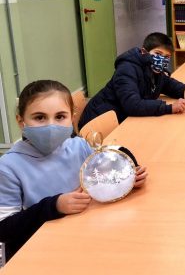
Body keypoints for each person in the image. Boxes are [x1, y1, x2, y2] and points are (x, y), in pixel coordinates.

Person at [0, 80, 148, 261]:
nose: (51, 126)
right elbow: (4, 229)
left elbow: (110, 156)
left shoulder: (78, 146)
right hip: (38, 253)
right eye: (39, 117)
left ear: (72, 117)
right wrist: (54, 206)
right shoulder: (8, 167)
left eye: (60, 116)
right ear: (21, 122)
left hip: (83, 239)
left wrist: (128, 173)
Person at [79, 32, 185, 130]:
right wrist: (169, 108)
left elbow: (173, 86)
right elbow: (132, 104)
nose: (162, 60)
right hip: (97, 125)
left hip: (123, 119)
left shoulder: (155, 71)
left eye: (167, 57)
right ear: (144, 52)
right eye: (158, 54)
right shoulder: (126, 69)